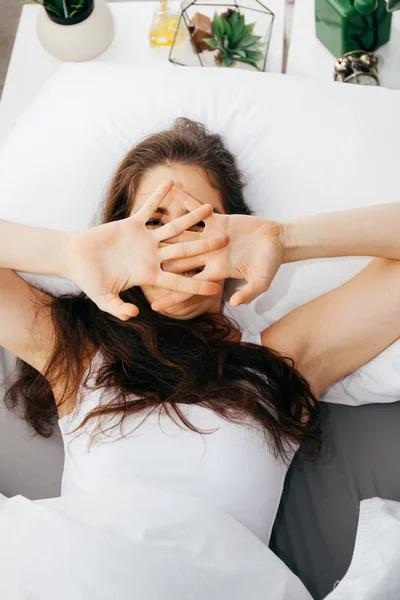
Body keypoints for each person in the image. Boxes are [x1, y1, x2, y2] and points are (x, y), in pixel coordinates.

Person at [1, 117, 400, 546]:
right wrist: (70, 253)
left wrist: (283, 239)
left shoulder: (284, 359)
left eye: (198, 222)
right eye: (154, 223)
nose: (176, 244)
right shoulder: (78, 352)